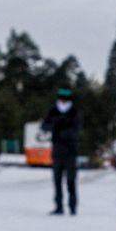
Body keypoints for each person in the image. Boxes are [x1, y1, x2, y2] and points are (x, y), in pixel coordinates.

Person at [40, 86, 82, 215]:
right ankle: (59, 206)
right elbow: (44, 125)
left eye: (65, 99)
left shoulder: (75, 111)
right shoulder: (53, 111)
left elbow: (77, 128)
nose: (63, 101)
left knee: (70, 180)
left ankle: (72, 207)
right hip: (57, 151)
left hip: (70, 151)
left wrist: (65, 132)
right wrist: (55, 125)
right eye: (62, 99)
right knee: (57, 179)